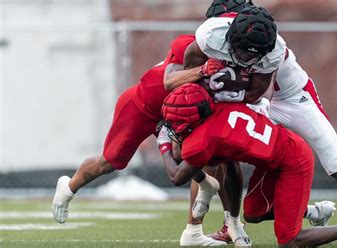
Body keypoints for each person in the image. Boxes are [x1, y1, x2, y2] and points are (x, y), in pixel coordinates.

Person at [165, 1, 337, 245]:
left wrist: (215, 92)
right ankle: (233, 223)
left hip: (292, 98)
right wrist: (204, 82)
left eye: (253, 54)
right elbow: (186, 81)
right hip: (253, 100)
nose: (246, 58)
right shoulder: (211, 36)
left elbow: (257, 93)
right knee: (229, 159)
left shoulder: (273, 48)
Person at [157, 83, 337, 247]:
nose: (173, 125)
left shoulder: (203, 140)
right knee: (254, 213)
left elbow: (177, 176)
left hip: (293, 161)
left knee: (289, 241)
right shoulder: (220, 107)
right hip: (273, 157)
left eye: (177, 120)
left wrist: (164, 144)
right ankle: (314, 212)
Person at [51, 35, 233, 246]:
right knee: (109, 163)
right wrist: (202, 71)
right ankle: (68, 187)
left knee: (205, 156)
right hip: (142, 106)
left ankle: (205, 228)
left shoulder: (233, 58)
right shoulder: (190, 45)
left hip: (177, 112)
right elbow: (169, 80)